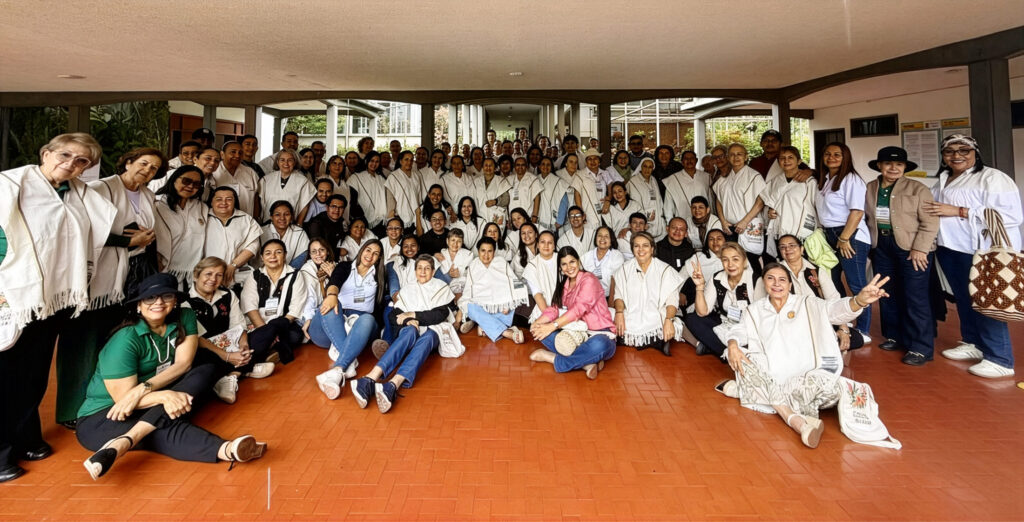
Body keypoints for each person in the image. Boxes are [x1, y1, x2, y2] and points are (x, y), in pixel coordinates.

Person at [0, 132, 115, 483]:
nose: (71, 164)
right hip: (14, 294)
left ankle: (25, 437)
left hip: (54, 297)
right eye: (65, 155)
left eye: (82, 161)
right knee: (5, 375)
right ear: (46, 153)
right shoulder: (12, 185)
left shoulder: (79, 194)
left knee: (34, 373)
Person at [75, 273, 266, 480]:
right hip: (105, 416)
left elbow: (184, 364)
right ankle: (227, 449)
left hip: (147, 401)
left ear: (175, 301)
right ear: (138, 305)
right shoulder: (125, 340)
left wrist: (147, 390)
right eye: (150, 298)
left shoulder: (185, 316)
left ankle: (127, 439)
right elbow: (124, 399)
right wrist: (165, 396)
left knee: (205, 369)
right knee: (161, 428)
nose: (158, 302)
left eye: (166, 296)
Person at [718, 264, 889, 448]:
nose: (776, 284)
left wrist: (859, 301)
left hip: (808, 376)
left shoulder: (807, 303)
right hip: (773, 375)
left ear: (790, 285)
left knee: (814, 386)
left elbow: (834, 310)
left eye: (782, 279)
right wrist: (733, 343)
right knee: (741, 355)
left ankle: (745, 391)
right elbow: (739, 331)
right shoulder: (754, 310)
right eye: (770, 278)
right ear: (764, 283)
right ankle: (798, 422)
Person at [58, 148, 167, 427]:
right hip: (97, 279)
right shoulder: (99, 189)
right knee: (83, 344)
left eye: (154, 168)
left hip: (130, 276)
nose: (147, 170)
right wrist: (127, 242)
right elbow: (82, 230)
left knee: (113, 341)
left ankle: (105, 402)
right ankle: (71, 410)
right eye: (143, 163)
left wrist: (147, 242)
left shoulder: (148, 195)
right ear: (127, 162)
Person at [924, 134, 1023, 378]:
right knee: (964, 299)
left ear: (975, 153)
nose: (956, 155)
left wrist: (960, 211)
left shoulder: (993, 178)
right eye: (949, 151)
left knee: (987, 301)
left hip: (982, 251)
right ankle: (974, 342)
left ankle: (1000, 359)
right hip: (951, 248)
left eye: (964, 150)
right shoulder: (944, 178)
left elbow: (1012, 216)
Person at [861, 147, 940, 365]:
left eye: (899, 164)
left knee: (915, 296)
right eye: (888, 163)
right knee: (887, 293)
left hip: (912, 248)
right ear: (880, 166)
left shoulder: (918, 189)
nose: (893, 168)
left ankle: (920, 348)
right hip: (882, 246)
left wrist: (921, 248)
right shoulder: (870, 188)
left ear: (905, 167)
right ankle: (895, 336)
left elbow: (930, 222)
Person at [350, 255, 457, 413]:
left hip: (435, 328)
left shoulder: (441, 287)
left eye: (427, 268)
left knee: (429, 336)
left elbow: (439, 315)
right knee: (409, 331)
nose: (423, 271)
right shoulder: (408, 289)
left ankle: (394, 383)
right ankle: (370, 379)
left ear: (433, 271)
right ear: (415, 271)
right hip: (412, 328)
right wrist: (407, 321)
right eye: (419, 268)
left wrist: (413, 315)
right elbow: (394, 315)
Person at [185, 257, 274, 405]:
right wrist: (227, 356)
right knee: (198, 356)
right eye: (208, 274)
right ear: (196, 275)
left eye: (219, 275)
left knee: (268, 330)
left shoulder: (228, 294)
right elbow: (197, 339)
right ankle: (246, 368)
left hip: (231, 343)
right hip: (207, 349)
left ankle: (232, 374)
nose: (213, 279)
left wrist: (244, 346)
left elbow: (238, 325)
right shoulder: (185, 301)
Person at [311, 240, 386, 399]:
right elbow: (334, 282)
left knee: (367, 318)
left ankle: (339, 368)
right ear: (361, 250)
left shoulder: (380, 275)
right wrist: (332, 295)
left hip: (361, 327)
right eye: (368, 250)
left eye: (375, 253)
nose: (370, 255)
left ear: (379, 258)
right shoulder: (345, 267)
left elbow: (381, 305)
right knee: (331, 305)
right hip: (335, 321)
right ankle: (347, 363)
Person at [529, 246, 617, 380]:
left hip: (598, 334)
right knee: (540, 331)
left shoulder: (589, 280)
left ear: (578, 261)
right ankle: (586, 363)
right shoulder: (563, 284)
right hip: (574, 334)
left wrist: (553, 326)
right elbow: (554, 309)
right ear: (560, 268)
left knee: (601, 344)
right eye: (564, 264)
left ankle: (552, 358)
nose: (569, 267)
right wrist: (537, 323)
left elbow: (578, 309)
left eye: (572, 262)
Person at [773, 234, 864, 358]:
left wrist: (843, 329)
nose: (787, 249)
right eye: (783, 247)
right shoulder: (775, 272)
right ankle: (817, 348)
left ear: (801, 249)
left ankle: (810, 349)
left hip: (818, 320)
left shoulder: (816, 271)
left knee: (856, 339)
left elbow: (834, 300)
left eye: (792, 245)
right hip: (791, 322)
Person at [815, 142, 871, 341]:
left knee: (856, 283)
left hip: (849, 235)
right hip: (830, 234)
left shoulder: (851, 179)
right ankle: (842, 321)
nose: (831, 158)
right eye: (827, 154)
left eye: (837, 154)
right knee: (832, 280)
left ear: (845, 157)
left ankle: (863, 330)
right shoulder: (826, 179)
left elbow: (857, 212)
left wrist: (844, 238)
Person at [610, 232, 684, 355]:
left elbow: (672, 300)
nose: (641, 250)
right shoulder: (624, 269)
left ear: (652, 249)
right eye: (636, 246)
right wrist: (619, 313)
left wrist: (669, 319)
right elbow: (619, 296)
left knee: (667, 322)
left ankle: (652, 339)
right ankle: (654, 341)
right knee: (611, 317)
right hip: (631, 315)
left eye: (645, 245)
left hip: (655, 316)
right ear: (632, 249)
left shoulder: (665, 270)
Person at [240, 240, 308, 364]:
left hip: (282, 324)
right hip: (258, 324)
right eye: (268, 253)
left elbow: (295, 308)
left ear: (285, 255)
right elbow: (250, 307)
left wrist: (275, 329)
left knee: (295, 335)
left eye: (278, 252)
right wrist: (267, 333)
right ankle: (272, 352)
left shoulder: (295, 275)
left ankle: (264, 354)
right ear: (262, 257)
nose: (273, 256)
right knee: (250, 338)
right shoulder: (255, 276)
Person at [685, 241, 757, 358]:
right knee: (692, 319)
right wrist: (699, 286)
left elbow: (760, 319)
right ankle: (729, 353)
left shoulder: (755, 280)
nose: (730, 264)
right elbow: (702, 312)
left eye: (735, 259)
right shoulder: (717, 278)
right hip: (726, 323)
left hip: (747, 328)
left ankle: (720, 350)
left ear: (744, 261)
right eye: (725, 260)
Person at [455, 237, 528, 344]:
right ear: (478, 251)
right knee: (470, 307)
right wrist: (460, 313)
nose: (486, 255)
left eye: (490, 251)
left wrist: (509, 304)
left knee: (508, 312)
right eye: (483, 251)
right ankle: (507, 333)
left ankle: (484, 326)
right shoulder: (474, 265)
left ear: (494, 252)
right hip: (481, 305)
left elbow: (513, 282)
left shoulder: (501, 262)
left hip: (501, 307)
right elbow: (468, 291)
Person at [714, 143, 766, 275]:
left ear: (746, 156)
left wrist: (745, 221)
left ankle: (755, 287)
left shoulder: (754, 176)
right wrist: (723, 221)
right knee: (733, 263)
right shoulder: (724, 178)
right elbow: (718, 200)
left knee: (752, 262)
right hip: (730, 228)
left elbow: (760, 202)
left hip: (749, 226)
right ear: (727, 157)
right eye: (732, 154)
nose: (735, 157)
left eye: (739, 154)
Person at [155, 166, 208, 285]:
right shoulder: (157, 204)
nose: (190, 186)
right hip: (162, 270)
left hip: (191, 274)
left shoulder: (202, 208)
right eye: (186, 181)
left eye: (196, 184)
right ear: (174, 179)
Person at [761, 146, 817, 258]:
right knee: (782, 263)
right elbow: (768, 201)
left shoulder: (810, 182)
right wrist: (769, 211)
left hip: (801, 232)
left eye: (790, 157)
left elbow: (814, 206)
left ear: (799, 161)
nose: (786, 161)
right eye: (782, 158)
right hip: (779, 231)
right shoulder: (775, 181)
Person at [203, 187, 261, 286]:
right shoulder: (202, 217)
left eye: (229, 199)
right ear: (211, 202)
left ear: (235, 202)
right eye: (219, 199)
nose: (224, 203)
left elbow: (253, 247)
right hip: (207, 274)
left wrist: (233, 265)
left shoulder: (246, 220)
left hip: (237, 273)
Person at [258, 149, 315, 225]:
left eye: (290, 160)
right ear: (277, 162)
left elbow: (305, 206)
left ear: (294, 162)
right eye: (282, 160)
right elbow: (258, 202)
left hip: (290, 225)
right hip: (267, 224)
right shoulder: (266, 180)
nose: (286, 163)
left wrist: (298, 225)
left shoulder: (303, 181)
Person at [212, 141, 260, 218]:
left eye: (240, 153)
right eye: (233, 152)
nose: (237, 156)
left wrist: (255, 219)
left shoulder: (250, 172)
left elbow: (256, 198)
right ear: (222, 154)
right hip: (219, 221)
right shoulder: (214, 172)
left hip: (247, 221)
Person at [663, 150, 712, 222]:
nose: (689, 161)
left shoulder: (706, 177)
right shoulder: (672, 180)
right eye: (686, 159)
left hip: (704, 220)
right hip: (682, 221)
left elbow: (710, 200)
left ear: (696, 160)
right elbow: (668, 205)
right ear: (682, 161)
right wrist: (669, 222)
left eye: (692, 158)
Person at [626, 157, 668, 239]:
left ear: (653, 168)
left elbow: (658, 200)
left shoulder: (653, 180)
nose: (647, 169)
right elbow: (631, 204)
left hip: (659, 222)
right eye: (645, 166)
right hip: (644, 223)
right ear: (640, 167)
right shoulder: (632, 182)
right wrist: (645, 217)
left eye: (650, 167)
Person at [259, 200, 309, 268]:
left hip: (291, 271)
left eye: (286, 214)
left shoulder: (300, 233)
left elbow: (302, 257)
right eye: (277, 214)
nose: (282, 218)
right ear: (271, 217)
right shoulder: (261, 232)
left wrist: (287, 272)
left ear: (291, 217)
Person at [521, 230, 558, 321]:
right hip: (544, 308)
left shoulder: (562, 259)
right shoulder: (532, 266)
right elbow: (537, 294)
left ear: (554, 246)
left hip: (566, 305)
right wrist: (549, 316)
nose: (546, 246)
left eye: (550, 243)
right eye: (542, 242)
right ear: (537, 245)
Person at [582, 226, 625, 298]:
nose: (602, 238)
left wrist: (611, 302)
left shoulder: (617, 256)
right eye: (600, 235)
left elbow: (616, 283)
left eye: (606, 236)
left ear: (611, 240)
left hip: (608, 297)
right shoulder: (586, 256)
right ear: (595, 238)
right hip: (588, 296)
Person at [536, 156, 571, 232]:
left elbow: (564, 202)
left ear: (551, 167)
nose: (545, 167)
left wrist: (559, 221)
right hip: (537, 220)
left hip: (552, 223)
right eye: (543, 164)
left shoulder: (558, 181)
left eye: (548, 165)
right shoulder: (534, 180)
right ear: (539, 166)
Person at [435, 228, 472, 295]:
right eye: (453, 240)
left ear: (462, 242)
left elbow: (469, 277)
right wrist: (448, 275)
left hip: (463, 291)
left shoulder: (468, 254)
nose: (455, 244)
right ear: (447, 241)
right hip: (444, 291)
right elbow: (437, 278)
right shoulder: (441, 254)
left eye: (459, 241)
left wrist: (459, 275)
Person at [507, 157, 541, 222]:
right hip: (513, 217)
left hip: (527, 216)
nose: (520, 167)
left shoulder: (533, 179)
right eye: (518, 165)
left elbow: (537, 198)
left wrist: (534, 216)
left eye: (523, 165)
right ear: (514, 166)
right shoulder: (509, 179)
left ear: (526, 166)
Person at [478, 157, 511, 226]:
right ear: (482, 168)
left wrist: (495, 201)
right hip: (480, 216)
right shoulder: (476, 182)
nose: (488, 168)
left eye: (490, 165)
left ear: (495, 168)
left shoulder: (501, 181)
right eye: (486, 165)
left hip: (497, 216)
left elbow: (506, 199)